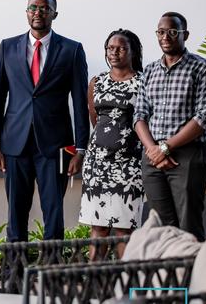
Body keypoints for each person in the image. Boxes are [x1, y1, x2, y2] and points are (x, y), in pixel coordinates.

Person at [0, 0, 89, 242]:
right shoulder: (7, 47)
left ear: (54, 13)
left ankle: (50, 277)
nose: (38, 12)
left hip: (59, 147)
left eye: (44, 8)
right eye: (33, 7)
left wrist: (80, 150)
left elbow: (80, 103)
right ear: (26, 12)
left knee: (54, 215)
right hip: (14, 144)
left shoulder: (72, 50)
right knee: (16, 214)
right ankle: (15, 277)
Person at [134, 12, 206, 242]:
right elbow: (139, 115)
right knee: (160, 226)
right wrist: (153, 150)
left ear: (185, 35)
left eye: (172, 31)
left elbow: (204, 118)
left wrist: (166, 148)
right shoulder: (149, 71)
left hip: (188, 155)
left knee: (188, 225)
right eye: (161, 32)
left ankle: (192, 278)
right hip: (152, 157)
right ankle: (169, 277)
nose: (165, 36)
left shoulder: (202, 68)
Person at [78, 29, 144, 259]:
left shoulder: (143, 83)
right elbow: (95, 118)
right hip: (97, 165)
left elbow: (146, 121)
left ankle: (124, 285)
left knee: (125, 229)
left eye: (121, 48)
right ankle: (96, 286)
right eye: (110, 48)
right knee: (98, 227)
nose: (115, 52)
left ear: (133, 51)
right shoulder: (97, 82)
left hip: (129, 166)